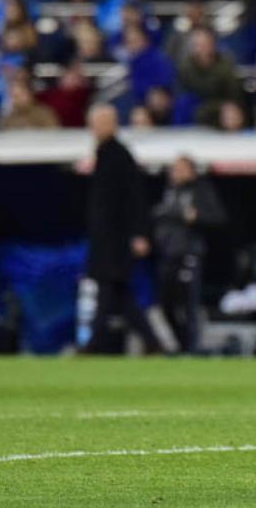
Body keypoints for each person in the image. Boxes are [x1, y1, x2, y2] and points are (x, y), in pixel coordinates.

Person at [84, 103, 161, 354]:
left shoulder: (118, 155)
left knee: (108, 292)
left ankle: (94, 344)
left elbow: (135, 199)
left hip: (115, 241)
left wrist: (140, 233)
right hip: (107, 240)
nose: (92, 127)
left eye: (97, 122)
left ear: (110, 124)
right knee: (119, 295)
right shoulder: (103, 154)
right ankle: (152, 344)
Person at [152, 155, 226, 354]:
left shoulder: (201, 191)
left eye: (180, 168)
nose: (175, 172)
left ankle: (191, 348)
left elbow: (218, 217)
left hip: (189, 254)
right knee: (165, 304)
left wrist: (197, 217)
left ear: (192, 171)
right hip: (167, 254)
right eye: (174, 168)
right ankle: (181, 342)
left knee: (189, 305)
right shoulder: (169, 192)